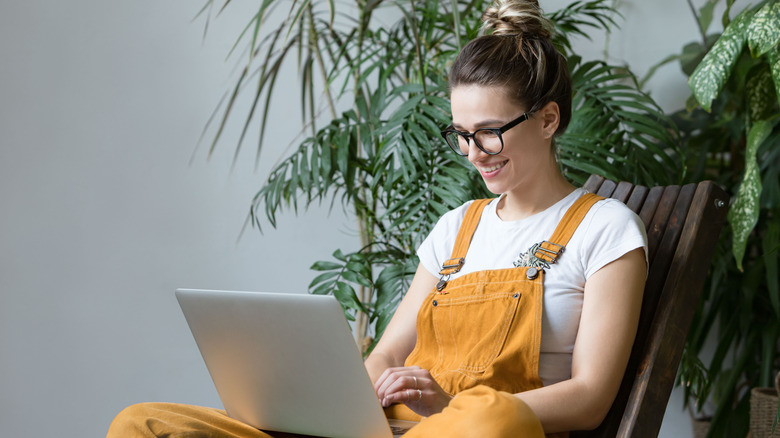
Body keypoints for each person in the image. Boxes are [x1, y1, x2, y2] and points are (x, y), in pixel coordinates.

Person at [107, 0, 647, 436]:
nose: (474, 153)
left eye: (489, 131)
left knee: (492, 416)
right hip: (389, 431)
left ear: (548, 118)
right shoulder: (456, 229)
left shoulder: (605, 230)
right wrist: (342, 412)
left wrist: (452, 407)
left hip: (476, 431)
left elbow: (590, 398)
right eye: (460, 135)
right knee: (142, 422)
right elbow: (388, 350)